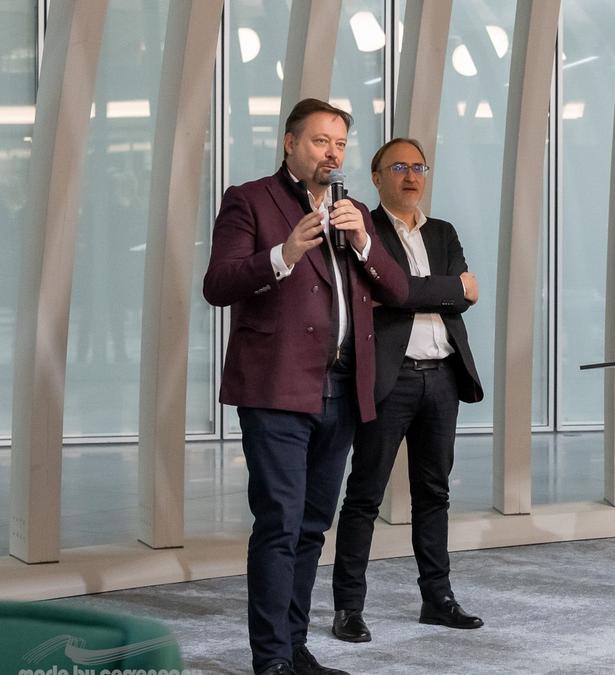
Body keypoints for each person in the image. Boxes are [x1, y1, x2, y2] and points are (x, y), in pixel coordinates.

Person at [203, 99, 408, 675]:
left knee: (314, 526)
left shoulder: (353, 211)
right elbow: (218, 284)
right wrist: (284, 253)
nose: (332, 154)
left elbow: (397, 289)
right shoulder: (249, 200)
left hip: (341, 389)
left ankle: (295, 649)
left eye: (340, 144)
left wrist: (364, 243)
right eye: (321, 142)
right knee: (280, 523)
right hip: (276, 390)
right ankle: (271, 659)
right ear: (290, 143)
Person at [330, 138, 485, 643]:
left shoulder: (443, 232)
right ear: (376, 178)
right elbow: (377, 293)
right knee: (364, 496)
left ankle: (437, 599)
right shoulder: (363, 229)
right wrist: (445, 289)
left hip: (442, 377)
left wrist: (409, 292)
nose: (411, 175)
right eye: (399, 166)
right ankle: (348, 608)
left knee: (434, 493)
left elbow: (467, 295)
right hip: (389, 379)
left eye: (419, 166)